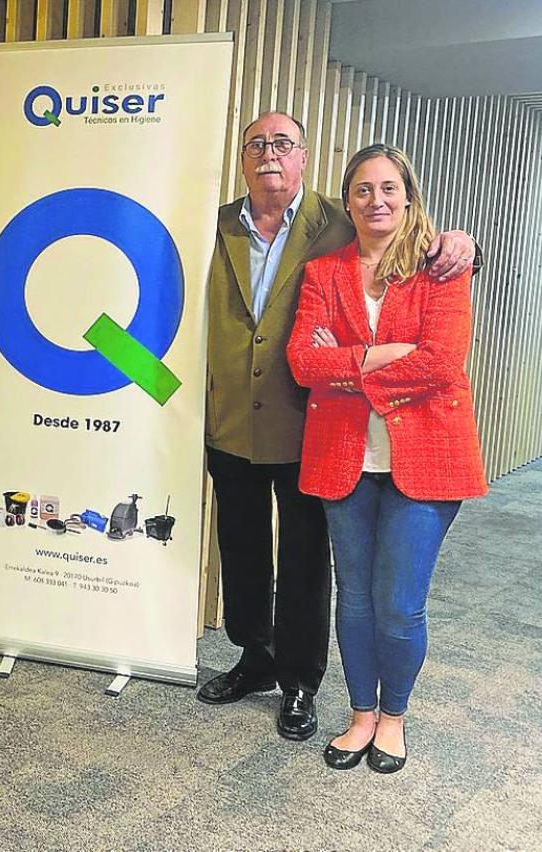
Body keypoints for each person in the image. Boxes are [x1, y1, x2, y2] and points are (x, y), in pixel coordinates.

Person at [200, 111, 476, 742]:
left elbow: (428, 255)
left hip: (312, 427)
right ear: (243, 157)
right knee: (242, 548)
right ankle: (253, 656)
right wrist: (375, 358)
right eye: (257, 144)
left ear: (304, 157)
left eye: (283, 144)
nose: (270, 155)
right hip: (233, 421)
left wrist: (464, 242)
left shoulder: (335, 220)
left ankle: (299, 679)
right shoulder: (212, 223)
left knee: (305, 560)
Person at [287, 143, 487, 772]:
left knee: (399, 602)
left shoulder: (440, 270)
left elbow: (439, 363)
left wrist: (343, 364)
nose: (377, 200)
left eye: (389, 188)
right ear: (348, 201)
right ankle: (360, 714)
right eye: (363, 190)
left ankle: (393, 716)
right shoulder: (324, 272)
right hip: (343, 455)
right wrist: (382, 353)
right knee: (355, 598)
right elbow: (302, 360)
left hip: (426, 458)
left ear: (409, 196)